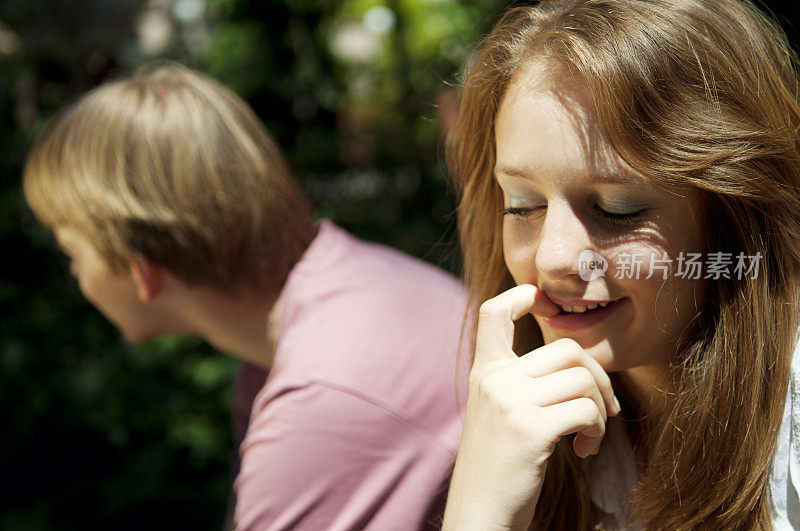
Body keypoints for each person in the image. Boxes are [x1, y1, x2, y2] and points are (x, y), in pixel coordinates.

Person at [23, 62, 470, 530]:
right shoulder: (348, 281)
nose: (74, 272)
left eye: (71, 250)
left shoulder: (316, 405)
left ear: (144, 270)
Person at [441, 0, 800, 528]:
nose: (554, 258)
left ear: (737, 216)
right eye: (522, 205)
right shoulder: (524, 425)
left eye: (617, 209)